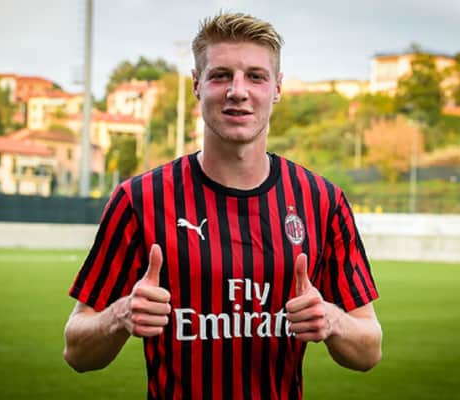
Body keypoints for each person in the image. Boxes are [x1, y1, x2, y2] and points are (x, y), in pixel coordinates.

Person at [63, 12, 382, 399]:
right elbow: (77, 351)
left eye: (255, 76)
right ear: (197, 85)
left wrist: (332, 320)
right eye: (220, 75)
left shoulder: (321, 201)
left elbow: (369, 349)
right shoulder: (140, 199)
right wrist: (120, 315)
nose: (237, 91)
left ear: (277, 88)